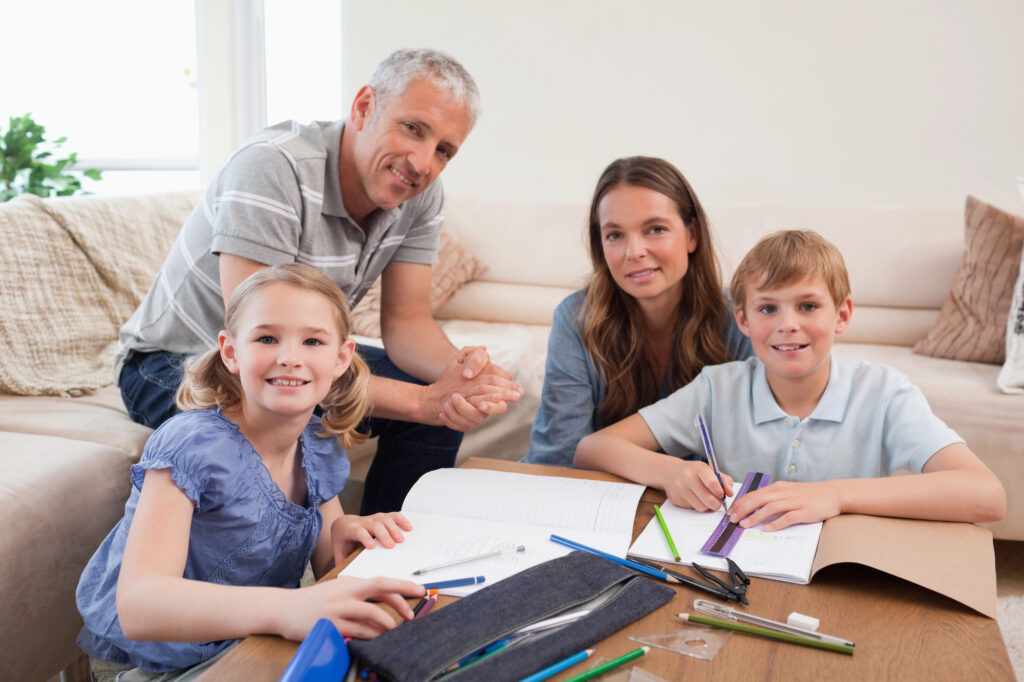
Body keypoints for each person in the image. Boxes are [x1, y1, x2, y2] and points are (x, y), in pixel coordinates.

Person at [114, 48, 522, 514]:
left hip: (289, 352)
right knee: (288, 407)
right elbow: (264, 347)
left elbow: (408, 322)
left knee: (438, 413)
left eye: (444, 150)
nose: (423, 162)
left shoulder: (420, 197)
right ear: (364, 107)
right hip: (178, 358)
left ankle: (386, 561)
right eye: (413, 128)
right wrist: (423, 402)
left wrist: (463, 377)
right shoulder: (273, 167)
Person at [77, 264, 426, 681]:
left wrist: (348, 534)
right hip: (151, 660)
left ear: (341, 359)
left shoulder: (318, 444)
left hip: (254, 639)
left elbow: (328, 564)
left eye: (312, 340)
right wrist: (291, 609)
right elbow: (139, 605)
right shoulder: (191, 445)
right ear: (230, 351)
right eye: (266, 338)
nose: (289, 357)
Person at [575, 230, 1006, 530]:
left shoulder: (885, 392)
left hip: (845, 572)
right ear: (741, 319)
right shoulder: (716, 387)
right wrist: (669, 471)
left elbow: (986, 495)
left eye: (807, 306)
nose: (787, 325)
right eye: (767, 309)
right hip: (742, 570)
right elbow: (593, 448)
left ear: (842, 315)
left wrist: (834, 496)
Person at [523, 156, 752, 466]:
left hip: (698, 507)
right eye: (615, 235)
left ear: (692, 235)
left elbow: (756, 453)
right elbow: (560, 456)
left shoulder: (741, 320)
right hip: (596, 497)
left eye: (655, 229)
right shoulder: (575, 318)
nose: (634, 253)